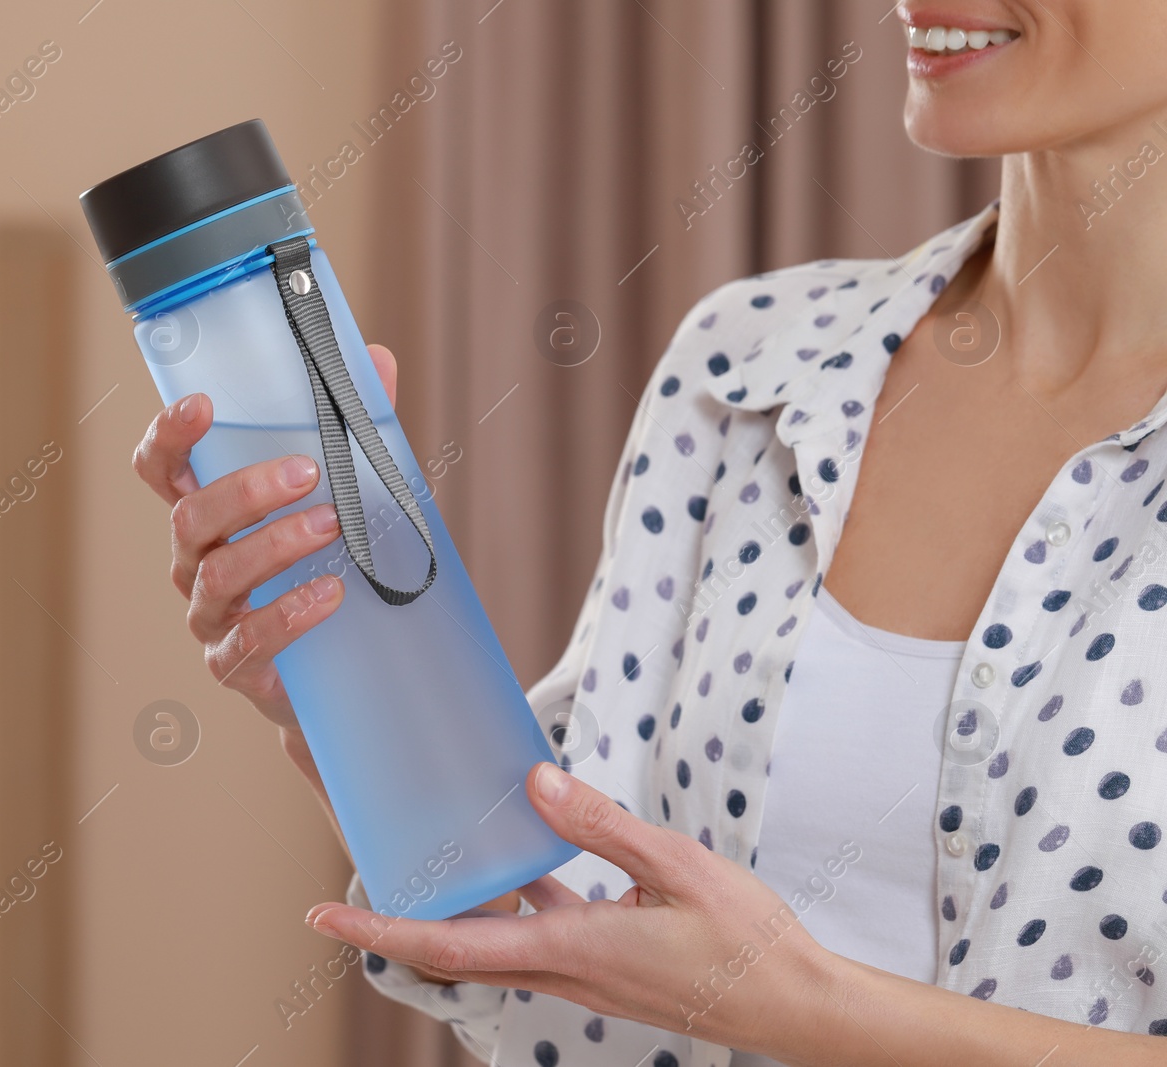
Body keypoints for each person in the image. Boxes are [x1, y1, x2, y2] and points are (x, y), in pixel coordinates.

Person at [132, 3, 1167, 1063]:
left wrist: (794, 1000)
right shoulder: (750, 365)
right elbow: (564, 936)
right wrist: (331, 687)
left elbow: (731, 986)